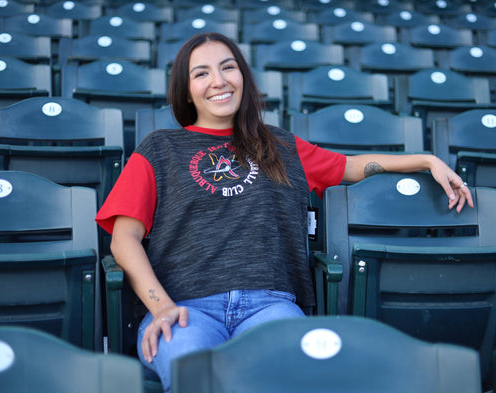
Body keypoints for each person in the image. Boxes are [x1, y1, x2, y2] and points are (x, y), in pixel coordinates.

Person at [95, 32, 473, 392]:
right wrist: (162, 308)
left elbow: (353, 167)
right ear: (186, 90)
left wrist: (426, 160)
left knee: (292, 377)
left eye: (228, 67)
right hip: (185, 310)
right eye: (201, 73)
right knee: (194, 376)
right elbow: (124, 238)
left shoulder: (280, 146)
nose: (218, 80)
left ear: (242, 76)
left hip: (269, 306)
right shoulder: (160, 148)